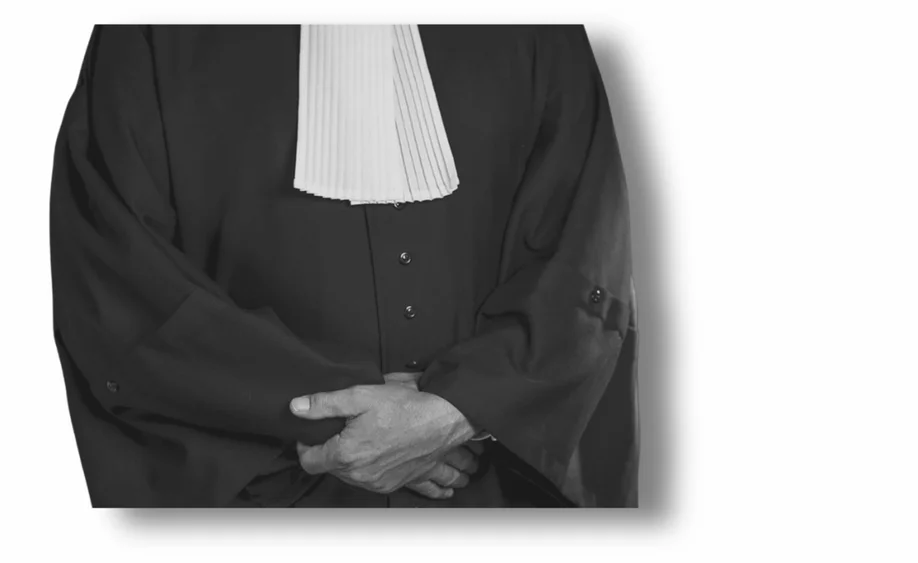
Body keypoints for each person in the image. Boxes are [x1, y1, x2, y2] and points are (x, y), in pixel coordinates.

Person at [49, 24, 639, 508]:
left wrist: (463, 407)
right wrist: (325, 417)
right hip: (261, 490)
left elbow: (587, 247)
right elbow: (113, 277)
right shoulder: (151, 29)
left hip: (493, 489)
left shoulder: (535, 26)